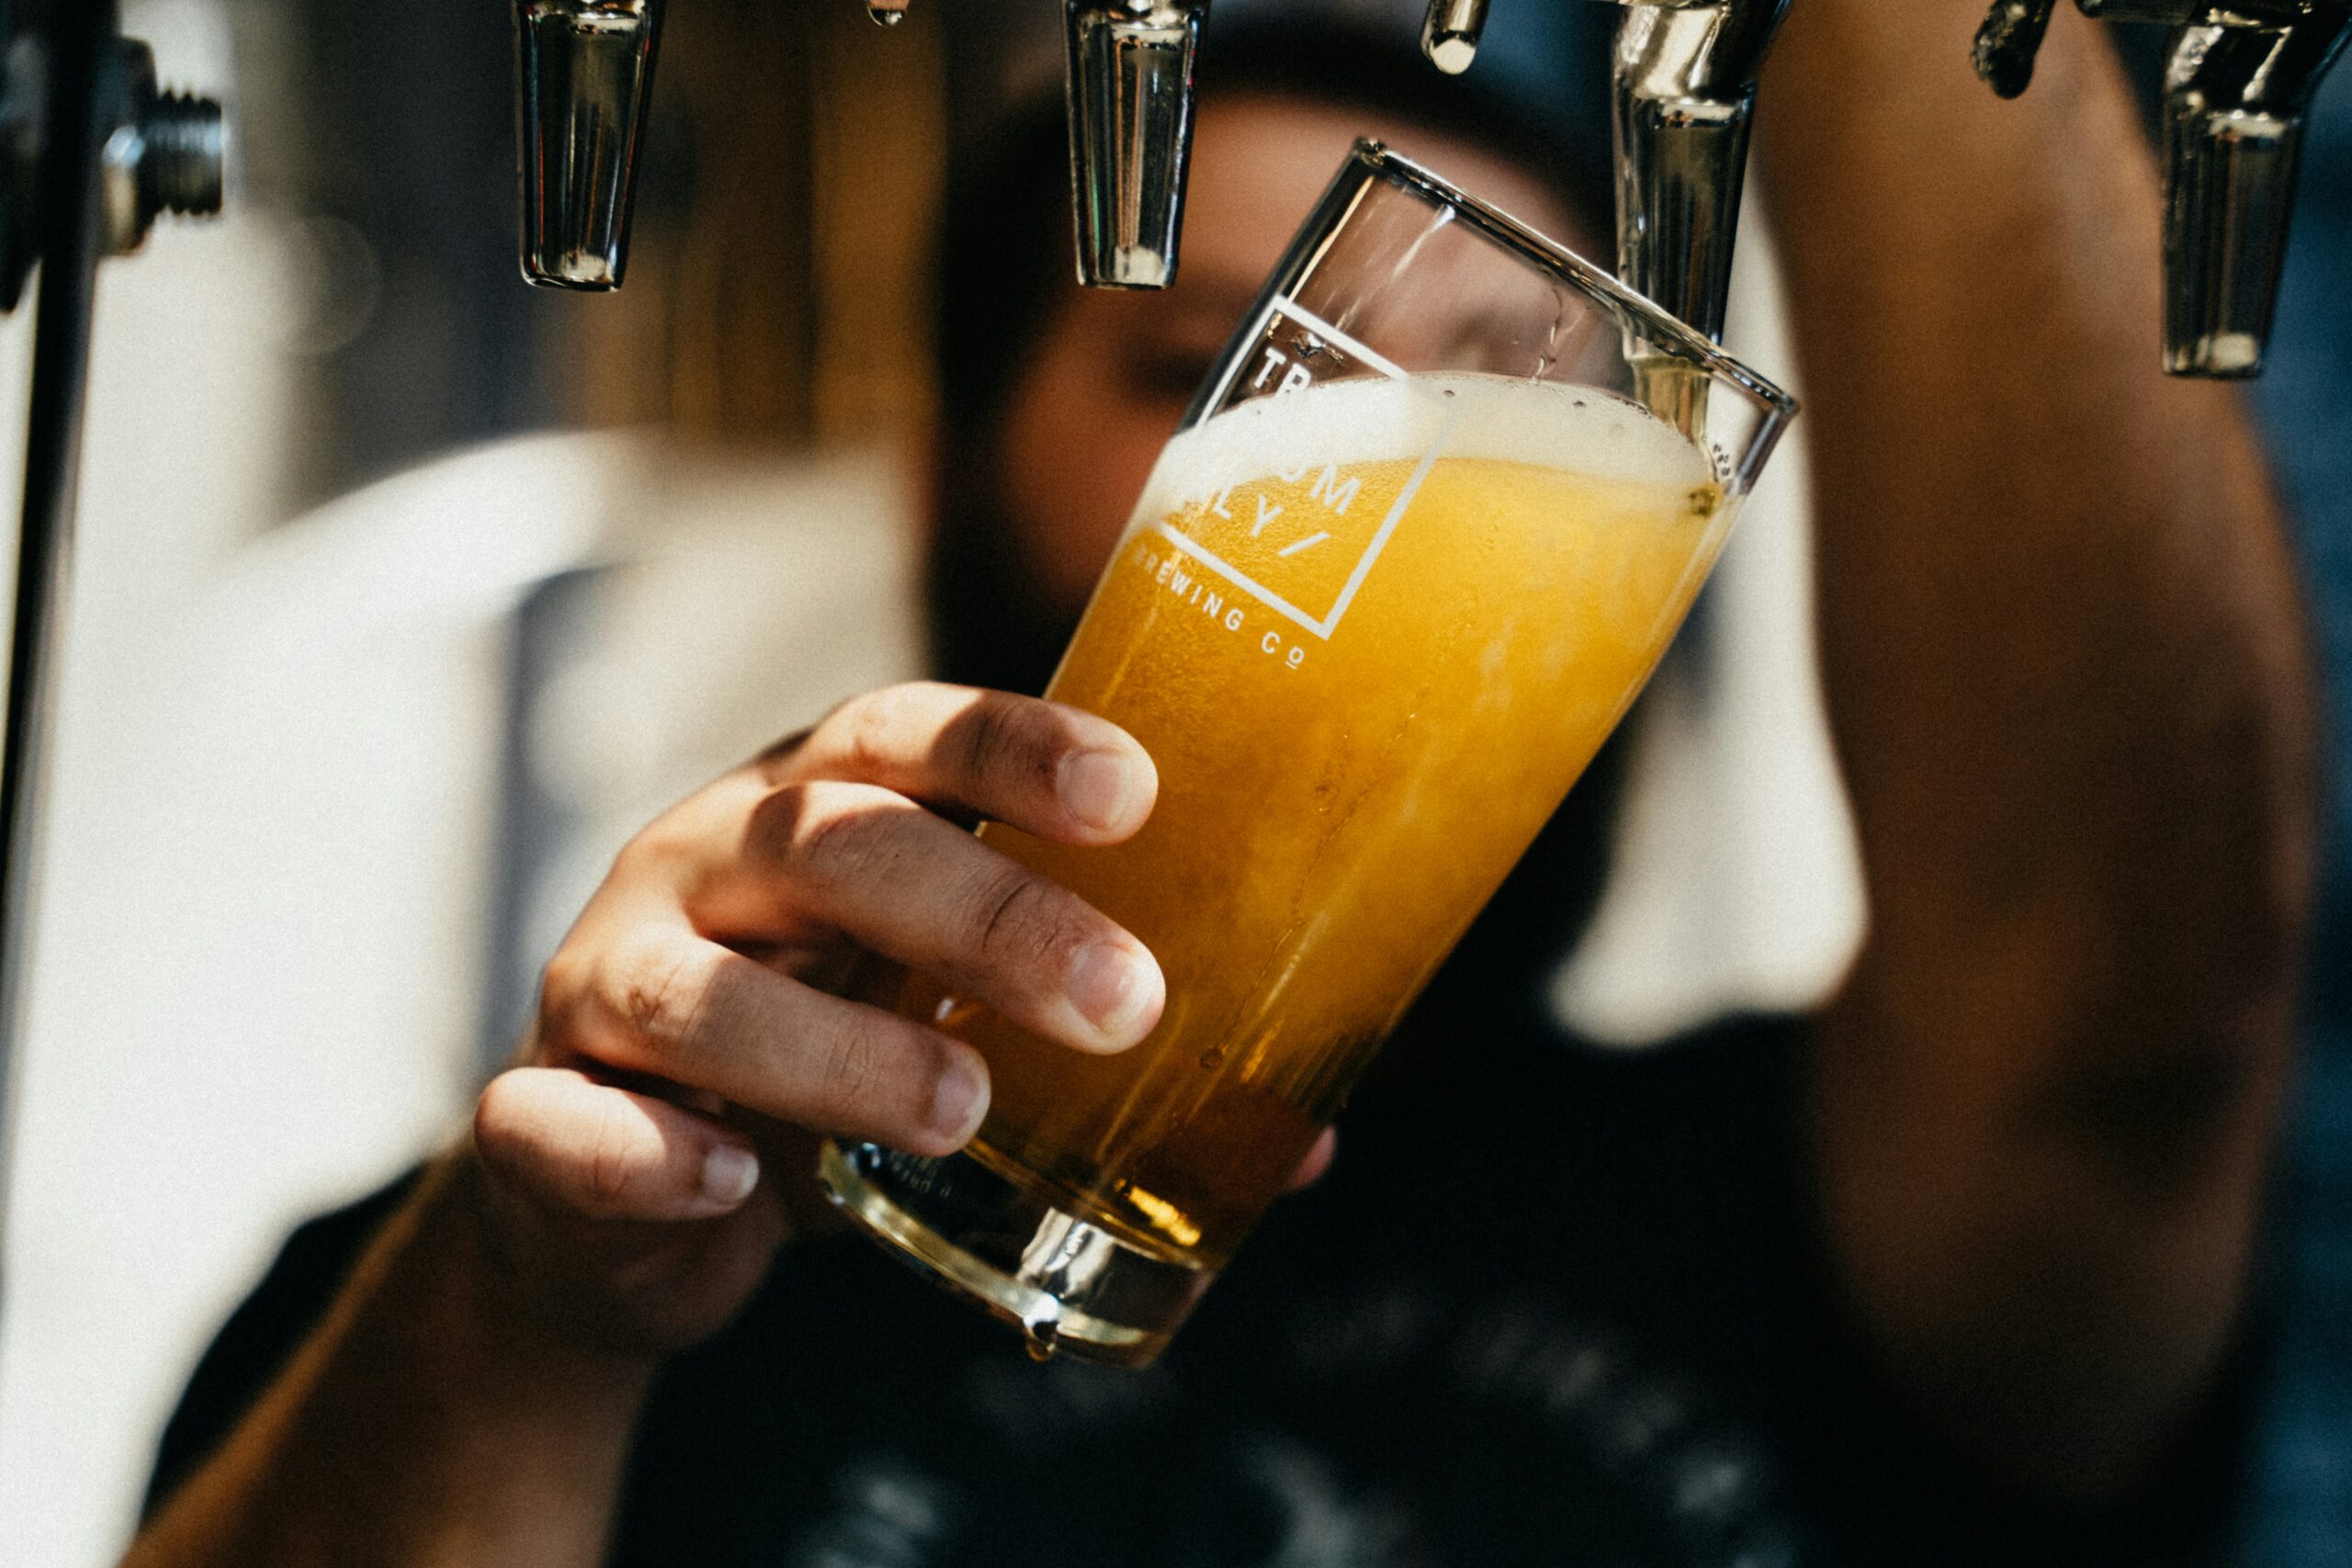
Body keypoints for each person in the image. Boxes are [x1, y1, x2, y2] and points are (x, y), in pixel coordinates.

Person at [121, 3, 2316, 1564]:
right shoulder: (508, 1266)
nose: (1406, 474)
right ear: (939, 470)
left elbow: (2129, 1020)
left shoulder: (1790, 1205)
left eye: (1511, 391)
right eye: (1207, 366)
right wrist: (524, 1315)